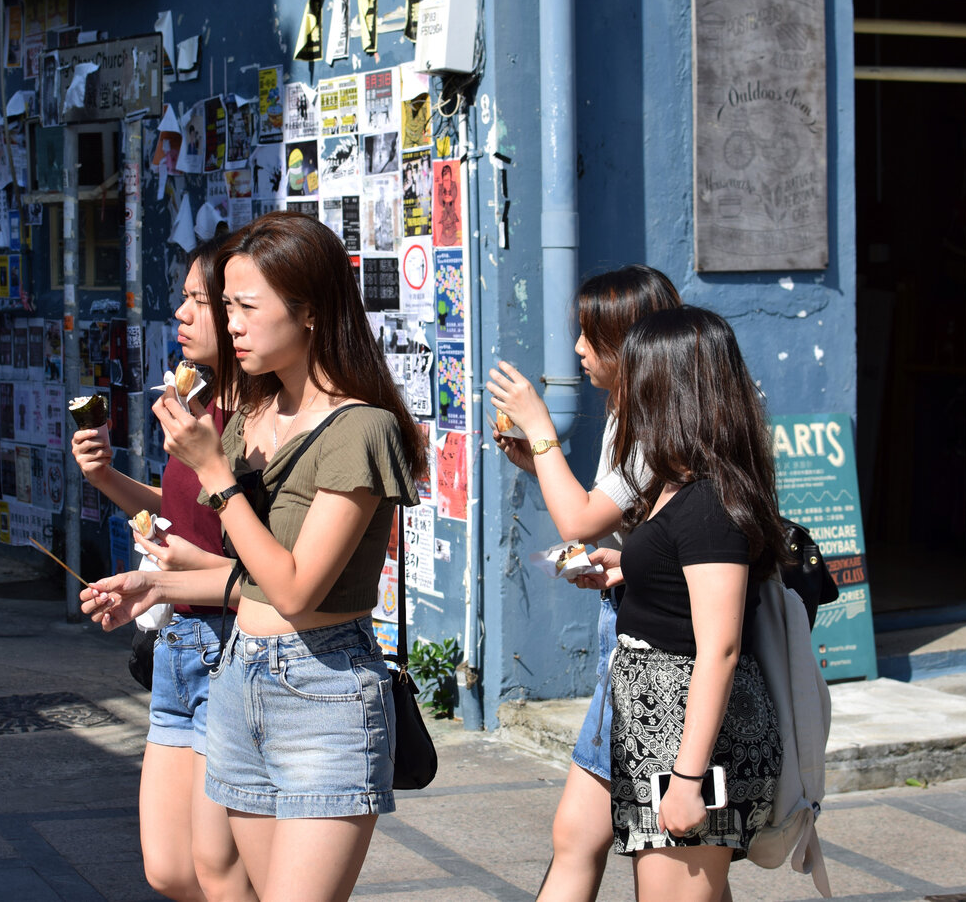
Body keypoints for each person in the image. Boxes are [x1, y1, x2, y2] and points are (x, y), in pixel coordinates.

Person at [82, 211, 426, 902]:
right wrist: (154, 584)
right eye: (226, 306)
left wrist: (215, 475)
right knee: (213, 878)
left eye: (244, 306)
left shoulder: (362, 428)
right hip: (240, 679)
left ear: (308, 313)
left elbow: (295, 590)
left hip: (323, 689)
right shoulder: (252, 419)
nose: (230, 323)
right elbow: (250, 581)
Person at [485, 266, 681, 902]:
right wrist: (536, 458)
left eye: (590, 336)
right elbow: (601, 514)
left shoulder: (659, 425)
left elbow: (581, 517)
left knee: (656, 864)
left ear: (628, 345)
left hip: (655, 651)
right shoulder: (632, 409)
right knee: (582, 836)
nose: (576, 349)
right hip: (627, 626)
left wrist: (541, 430)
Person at [579, 306, 788, 902]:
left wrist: (688, 780)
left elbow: (718, 649)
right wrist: (629, 568)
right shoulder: (683, 483)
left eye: (639, 377)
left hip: (685, 738)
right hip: (660, 725)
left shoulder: (708, 502)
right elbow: (687, 577)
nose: (627, 396)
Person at [70, 233, 255, 902]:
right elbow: (177, 510)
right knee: (170, 870)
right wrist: (105, 477)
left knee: (221, 869)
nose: (180, 315)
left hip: (236, 647)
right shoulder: (198, 404)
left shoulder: (258, 420)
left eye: (198, 302)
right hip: (179, 641)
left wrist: (175, 572)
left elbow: (269, 567)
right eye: (183, 300)